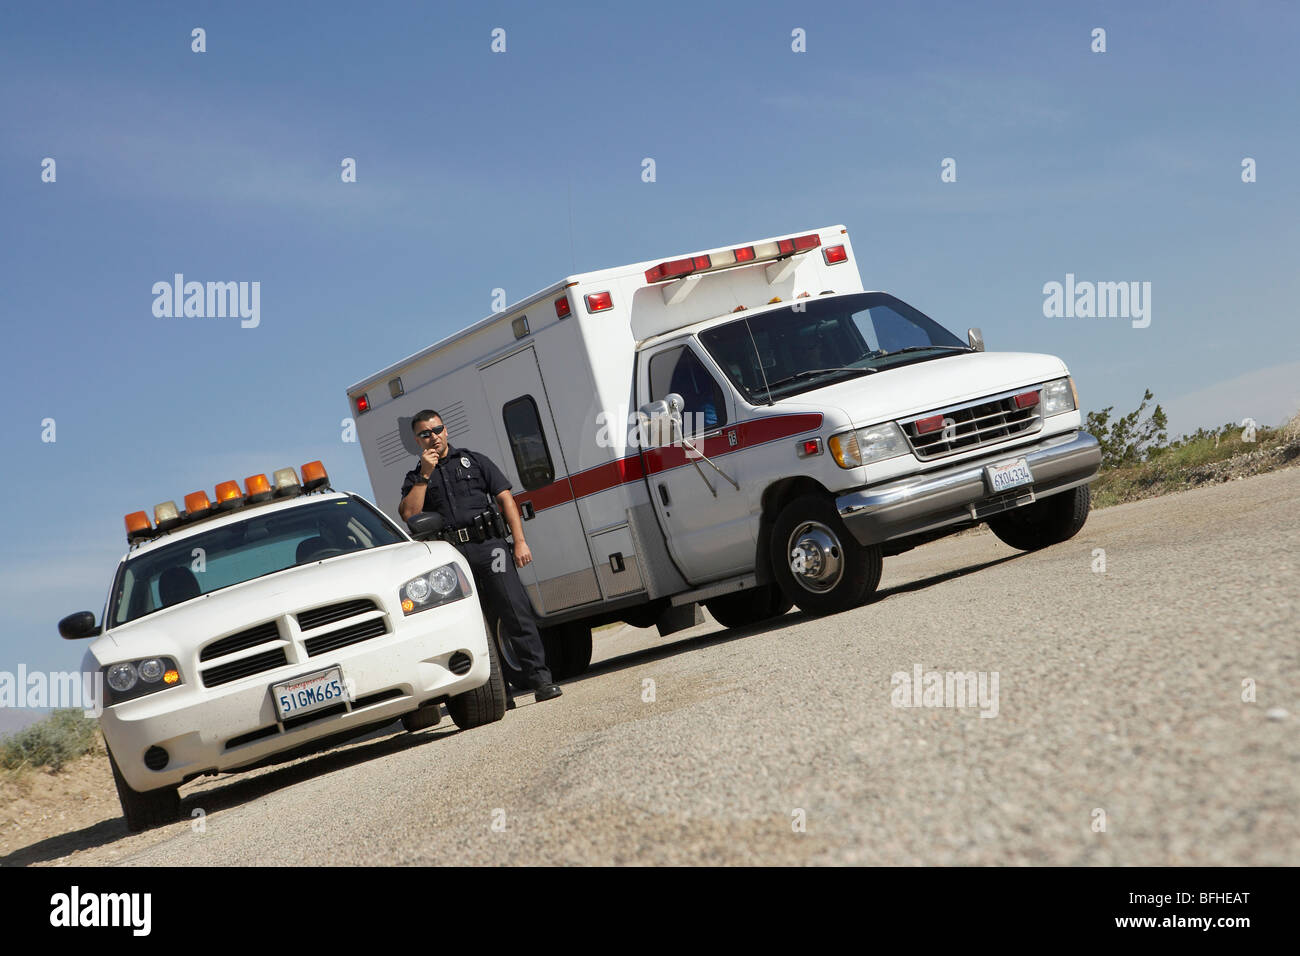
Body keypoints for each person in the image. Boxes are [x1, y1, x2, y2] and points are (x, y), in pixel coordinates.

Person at [398, 410, 561, 704]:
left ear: (446, 430)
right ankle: (501, 692)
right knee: (474, 622)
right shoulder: (415, 476)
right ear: (417, 440)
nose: (433, 436)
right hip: (452, 557)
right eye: (425, 433)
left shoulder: (473, 461)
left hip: (490, 547)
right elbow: (410, 514)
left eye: (437, 429)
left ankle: (541, 680)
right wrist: (424, 475)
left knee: (515, 611)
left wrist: (520, 542)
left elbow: (505, 498)